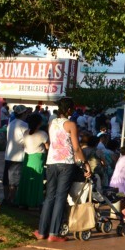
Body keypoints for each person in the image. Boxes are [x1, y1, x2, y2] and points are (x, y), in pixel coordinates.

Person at [36, 98, 91, 242]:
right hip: (66, 163)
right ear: (69, 110)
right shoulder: (71, 124)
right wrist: (86, 163)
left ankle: (42, 231)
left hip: (52, 162)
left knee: (49, 197)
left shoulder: (52, 123)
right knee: (60, 198)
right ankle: (54, 233)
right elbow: (76, 147)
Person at [16, 114, 49, 209]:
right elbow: (48, 147)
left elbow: (23, 145)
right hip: (38, 158)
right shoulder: (43, 134)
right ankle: (34, 202)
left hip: (28, 157)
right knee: (37, 179)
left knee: (26, 179)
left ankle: (23, 201)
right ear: (39, 123)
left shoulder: (26, 132)